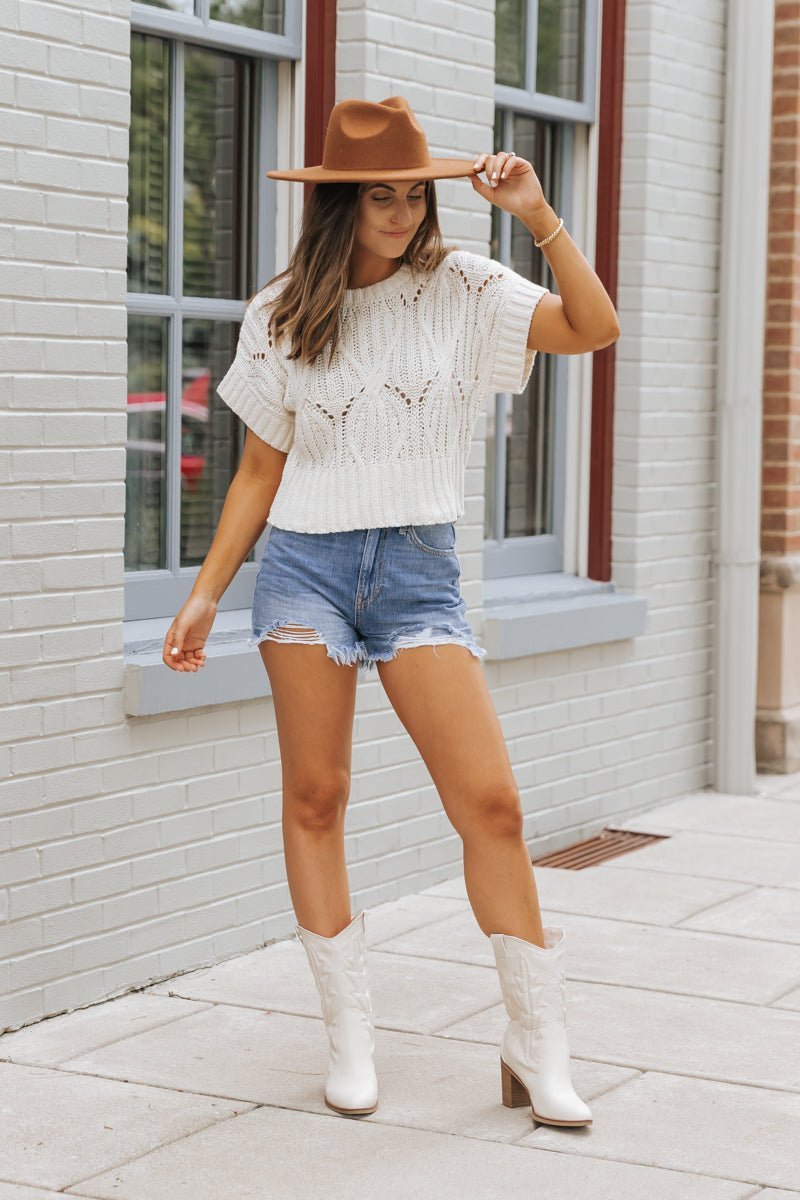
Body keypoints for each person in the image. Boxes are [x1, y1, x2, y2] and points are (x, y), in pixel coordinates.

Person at [163, 96, 620, 1128]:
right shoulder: (280, 311)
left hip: (418, 572)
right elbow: (257, 472)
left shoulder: (465, 287)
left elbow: (594, 327)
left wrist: (539, 216)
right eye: (381, 196)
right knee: (316, 801)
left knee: (490, 806)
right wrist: (203, 593)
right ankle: (349, 1040)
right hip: (302, 571)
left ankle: (535, 1046)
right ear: (338, 203)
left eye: (415, 195)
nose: (403, 213)